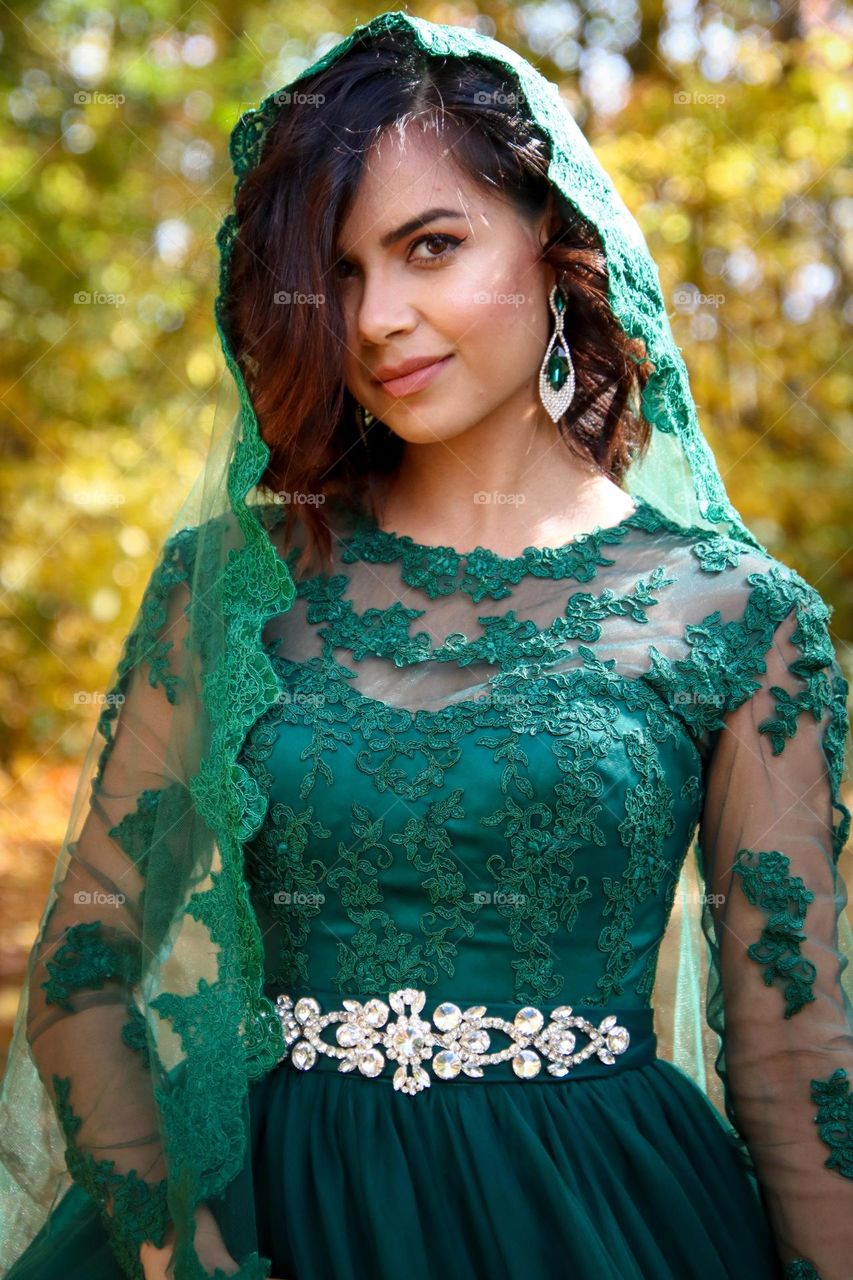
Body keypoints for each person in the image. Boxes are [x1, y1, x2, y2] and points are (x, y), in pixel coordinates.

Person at [1, 11, 851, 1280]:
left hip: (606, 1228)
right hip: (277, 1221)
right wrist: (191, 1249)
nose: (378, 317)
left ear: (555, 248)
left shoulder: (734, 614)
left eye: (431, 247)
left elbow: (792, 1060)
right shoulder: (229, 585)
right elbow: (83, 973)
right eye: (338, 273)